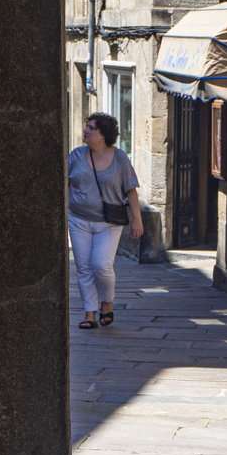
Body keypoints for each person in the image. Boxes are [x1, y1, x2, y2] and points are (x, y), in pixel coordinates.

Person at [67, 112, 143, 330]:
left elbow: (131, 189)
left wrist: (137, 220)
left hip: (108, 223)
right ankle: (89, 313)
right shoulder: (76, 156)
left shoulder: (119, 158)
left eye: (91, 128)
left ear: (103, 135)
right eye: (87, 126)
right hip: (78, 219)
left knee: (101, 265)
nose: (85, 130)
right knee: (83, 267)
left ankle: (106, 302)